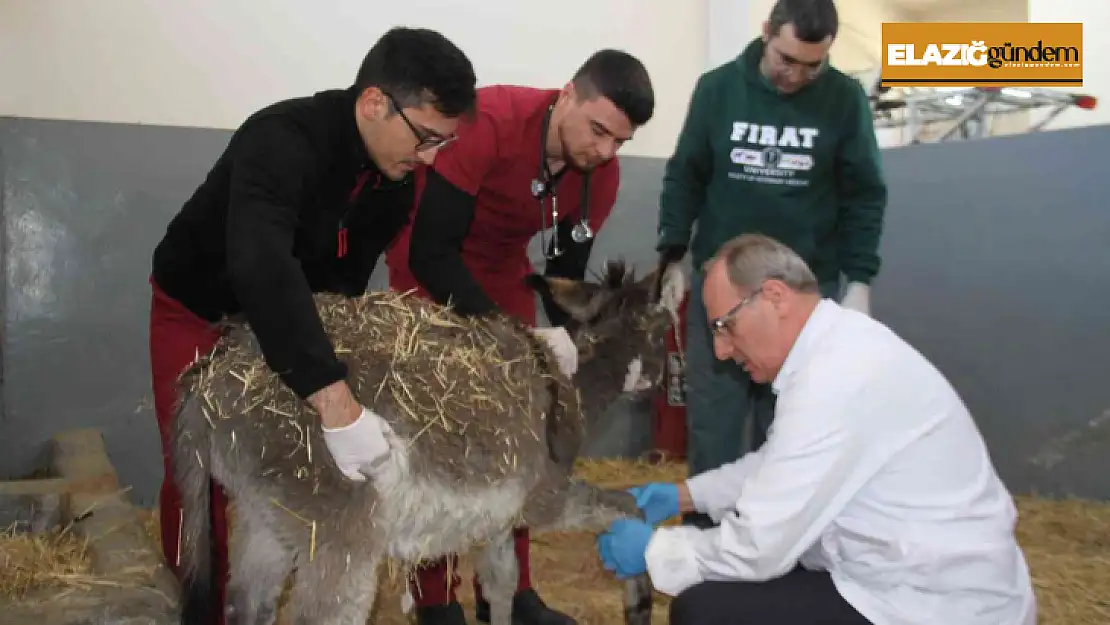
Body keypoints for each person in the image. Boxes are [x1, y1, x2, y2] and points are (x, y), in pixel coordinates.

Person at [147, 27, 479, 625]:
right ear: (377, 102)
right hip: (201, 308)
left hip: (288, 317)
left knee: (294, 465)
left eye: (442, 145)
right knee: (195, 466)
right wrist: (335, 401)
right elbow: (261, 265)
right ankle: (199, 608)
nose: (430, 158)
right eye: (426, 137)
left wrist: (345, 381)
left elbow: (339, 294)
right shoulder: (281, 138)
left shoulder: (395, 184)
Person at [596, 234, 1037, 625]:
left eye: (724, 326)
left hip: (932, 604)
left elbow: (758, 548)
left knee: (705, 612)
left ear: (773, 296)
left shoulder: (836, 376)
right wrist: (684, 496)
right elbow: (782, 464)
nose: (721, 349)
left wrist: (656, 552)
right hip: (907, 579)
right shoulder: (837, 349)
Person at [384, 49, 655, 625]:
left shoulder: (598, 173)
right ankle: (433, 599)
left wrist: (573, 341)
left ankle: (510, 593)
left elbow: (566, 275)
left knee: (527, 437)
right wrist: (515, 337)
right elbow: (432, 250)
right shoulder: (493, 122)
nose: (605, 151)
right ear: (566, 96)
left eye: (620, 142)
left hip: (501, 272)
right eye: (598, 130)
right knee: (443, 437)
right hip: (429, 267)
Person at [653, 0, 889, 528]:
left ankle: (776, 542)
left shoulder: (845, 100)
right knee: (713, 423)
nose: (795, 76)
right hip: (723, 292)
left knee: (791, 428)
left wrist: (860, 280)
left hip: (803, 297)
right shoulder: (718, 89)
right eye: (786, 59)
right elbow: (685, 174)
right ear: (766, 34)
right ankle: (704, 547)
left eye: (813, 65)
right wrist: (673, 253)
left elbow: (865, 194)